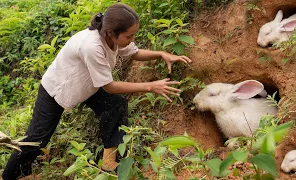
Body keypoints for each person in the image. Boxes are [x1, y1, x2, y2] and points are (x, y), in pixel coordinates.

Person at [2, 3, 192, 180]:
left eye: (134, 35)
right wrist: (150, 86)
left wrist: (161, 54)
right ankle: (9, 176)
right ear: (111, 32)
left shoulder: (113, 38)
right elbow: (109, 85)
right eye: (129, 36)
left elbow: (134, 53)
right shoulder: (91, 46)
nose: (132, 40)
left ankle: (109, 161)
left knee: (115, 104)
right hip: (57, 89)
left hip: (88, 85)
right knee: (37, 139)